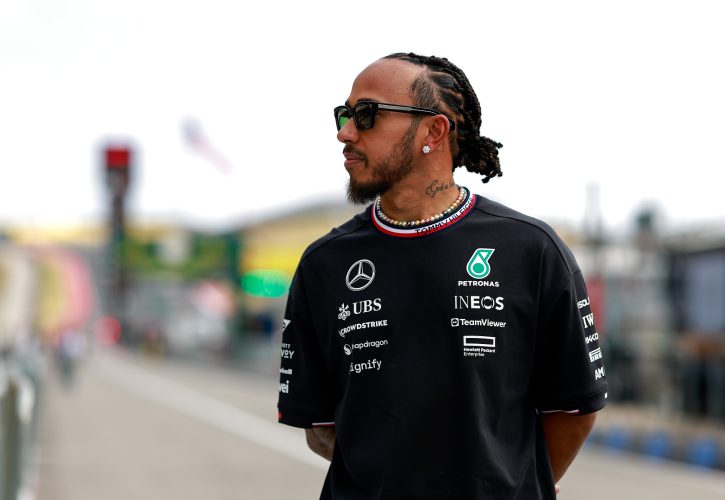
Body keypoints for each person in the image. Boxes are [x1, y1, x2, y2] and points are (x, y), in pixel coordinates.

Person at [277, 52, 607, 499]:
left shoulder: (532, 250)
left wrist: (510, 485)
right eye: (344, 114)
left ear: (433, 131)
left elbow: (573, 409)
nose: (345, 133)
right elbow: (320, 427)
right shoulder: (324, 264)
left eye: (367, 114)